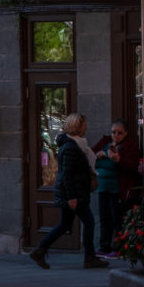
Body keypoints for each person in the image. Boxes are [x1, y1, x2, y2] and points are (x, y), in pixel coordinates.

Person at [29, 113, 102, 269]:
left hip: (74, 192)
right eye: (83, 124)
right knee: (88, 222)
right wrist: (72, 197)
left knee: (65, 225)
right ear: (77, 126)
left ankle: (41, 250)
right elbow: (68, 174)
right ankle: (89, 258)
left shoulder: (76, 145)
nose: (86, 127)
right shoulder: (71, 147)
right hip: (74, 193)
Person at [93, 121, 141, 258]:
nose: (116, 135)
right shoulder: (105, 142)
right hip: (103, 187)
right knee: (104, 217)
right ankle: (104, 246)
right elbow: (91, 156)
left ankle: (119, 247)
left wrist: (119, 160)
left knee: (117, 219)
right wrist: (99, 155)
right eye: (114, 132)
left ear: (125, 133)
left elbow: (134, 166)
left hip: (119, 188)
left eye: (120, 133)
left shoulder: (129, 146)